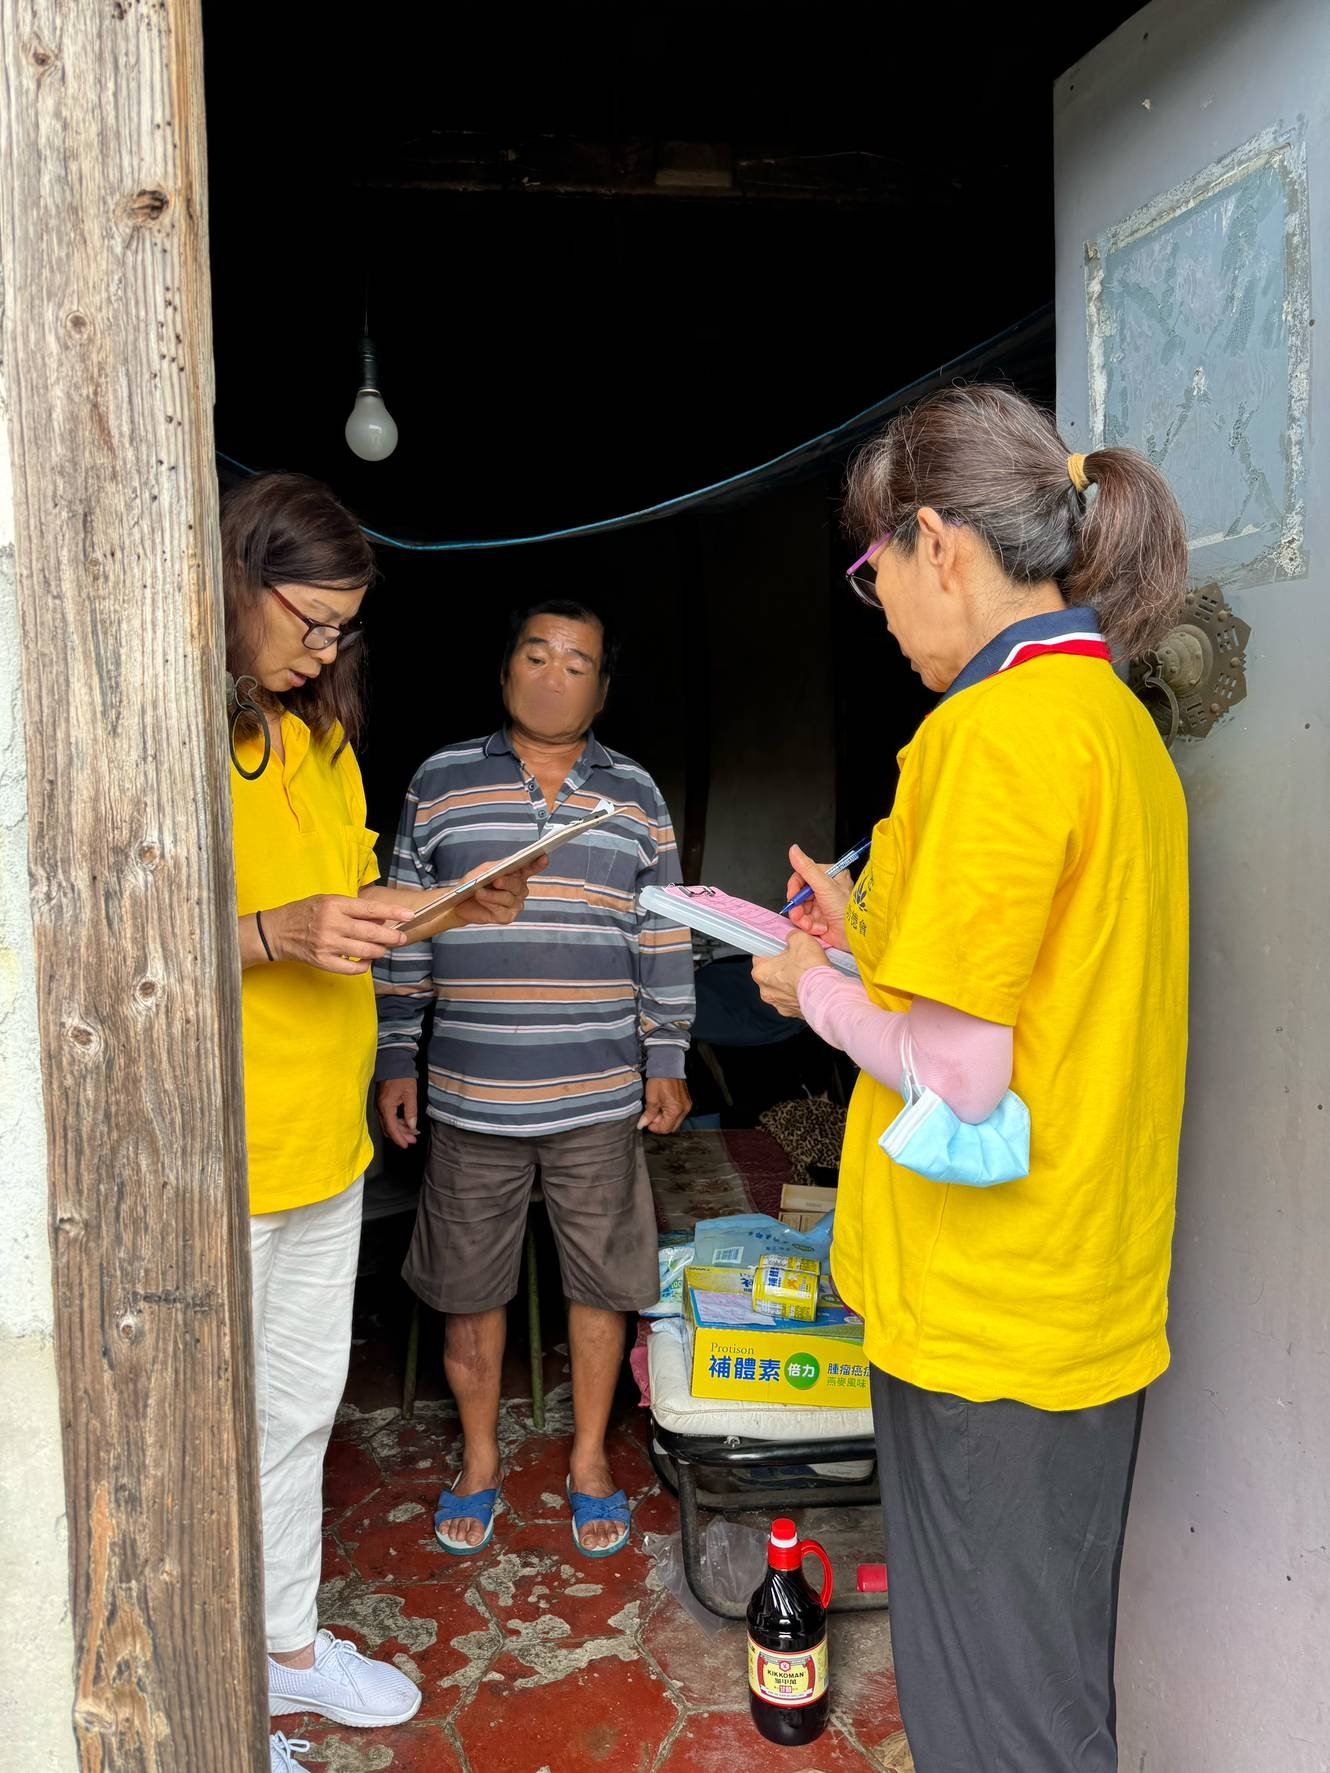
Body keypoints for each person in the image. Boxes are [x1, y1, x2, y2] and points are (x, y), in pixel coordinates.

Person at [752, 385, 1190, 1773]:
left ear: (933, 542)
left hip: (989, 1306)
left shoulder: (989, 733)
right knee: (1044, 1678)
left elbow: (958, 1073)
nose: (876, 605)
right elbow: (1039, 981)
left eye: (871, 569)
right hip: (1081, 1280)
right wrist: (861, 930)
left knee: (999, 1718)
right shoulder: (1104, 714)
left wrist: (811, 989)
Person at [223, 473, 538, 1773]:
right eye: (306, 620)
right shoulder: (175, 739)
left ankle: (286, 1650)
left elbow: (350, 909)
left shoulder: (324, 741)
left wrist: (451, 908)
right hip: (223, 1156)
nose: (322, 650)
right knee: (212, 1434)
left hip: (324, 1139)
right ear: (234, 584)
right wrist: (271, 931)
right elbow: (119, 936)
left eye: (343, 630)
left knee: (301, 1413)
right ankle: (221, 1699)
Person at [374, 600, 695, 1559]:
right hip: (471, 1095)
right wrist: (396, 1053)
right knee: (467, 1287)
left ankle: (589, 1458)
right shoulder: (440, 780)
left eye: (578, 663)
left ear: (603, 688)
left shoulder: (634, 794)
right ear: (507, 666)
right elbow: (402, 930)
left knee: (602, 1283)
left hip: (598, 1097)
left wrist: (668, 1053)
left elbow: (663, 932)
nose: (555, 676)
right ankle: (479, 1459)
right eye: (538, 654)